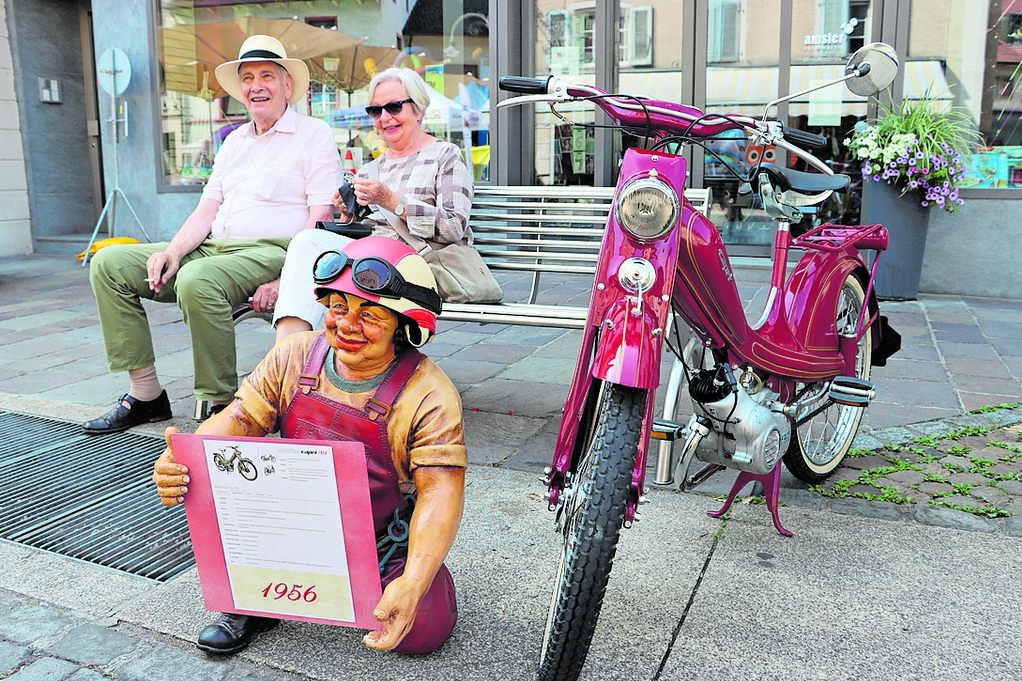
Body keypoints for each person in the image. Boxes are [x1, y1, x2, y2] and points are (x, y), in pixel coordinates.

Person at [152, 236, 465, 656]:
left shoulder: (429, 392)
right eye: (338, 307)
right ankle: (253, 601)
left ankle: (412, 580)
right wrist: (185, 457)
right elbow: (240, 418)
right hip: (286, 521)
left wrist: (414, 579)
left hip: (379, 537)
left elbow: (440, 490)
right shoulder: (293, 356)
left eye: (370, 315)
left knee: (420, 631)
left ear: (404, 325)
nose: (347, 325)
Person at [83, 35, 341, 434]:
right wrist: (171, 251)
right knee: (108, 264)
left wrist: (286, 279)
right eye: (248, 77)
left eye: (267, 76)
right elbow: (206, 210)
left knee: (197, 279)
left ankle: (221, 403)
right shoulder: (234, 141)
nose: (256, 85)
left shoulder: (314, 135)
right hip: (213, 248)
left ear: (288, 85)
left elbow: (320, 218)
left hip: (273, 252)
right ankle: (146, 395)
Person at [272, 67, 474, 342]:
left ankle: (297, 362)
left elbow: (454, 225)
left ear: (418, 109)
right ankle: (291, 356)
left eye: (393, 107)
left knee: (320, 261)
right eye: (376, 111)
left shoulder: (445, 155)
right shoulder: (370, 170)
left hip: (415, 263)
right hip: (367, 262)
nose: (385, 118)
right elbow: (363, 231)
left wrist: (392, 201)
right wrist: (346, 214)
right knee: (309, 247)